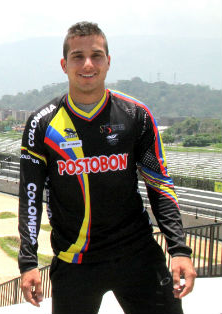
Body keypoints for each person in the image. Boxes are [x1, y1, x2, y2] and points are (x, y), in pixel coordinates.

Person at [18, 21, 196, 314]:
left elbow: (159, 185)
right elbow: (30, 197)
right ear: (64, 65)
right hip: (75, 261)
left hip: (137, 254)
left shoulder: (135, 115)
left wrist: (178, 250)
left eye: (96, 55)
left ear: (108, 62)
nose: (87, 64)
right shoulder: (42, 123)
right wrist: (28, 262)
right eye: (77, 56)